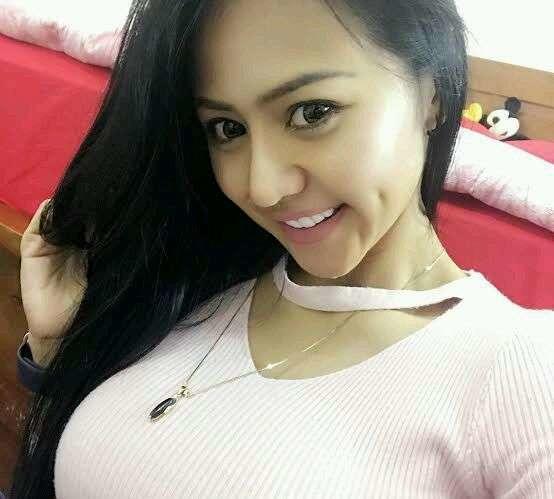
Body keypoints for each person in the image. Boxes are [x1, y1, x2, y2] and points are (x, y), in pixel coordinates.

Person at [9, 0, 554, 498]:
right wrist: (61, 347)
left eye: (312, 113)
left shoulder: (520, 364)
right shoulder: (197, 279)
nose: (262, 187)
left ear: (431, 94)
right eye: (227, 128)